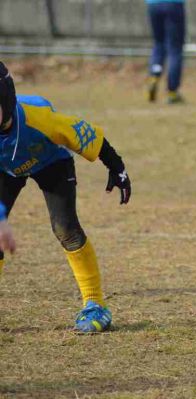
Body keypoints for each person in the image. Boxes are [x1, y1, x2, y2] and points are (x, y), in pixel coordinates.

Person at [0, 61, 131, 332]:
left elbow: (85, 133)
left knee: (66, 229)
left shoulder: (39, 119)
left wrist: (116, 167)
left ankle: (95, 305)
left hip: (51, 163)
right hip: (6, 170)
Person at [145, 0, 186, 104]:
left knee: (159, 43)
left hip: (153, 4)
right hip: (173, 4)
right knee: (175, 48)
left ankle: (154, 75)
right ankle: (172, 92)